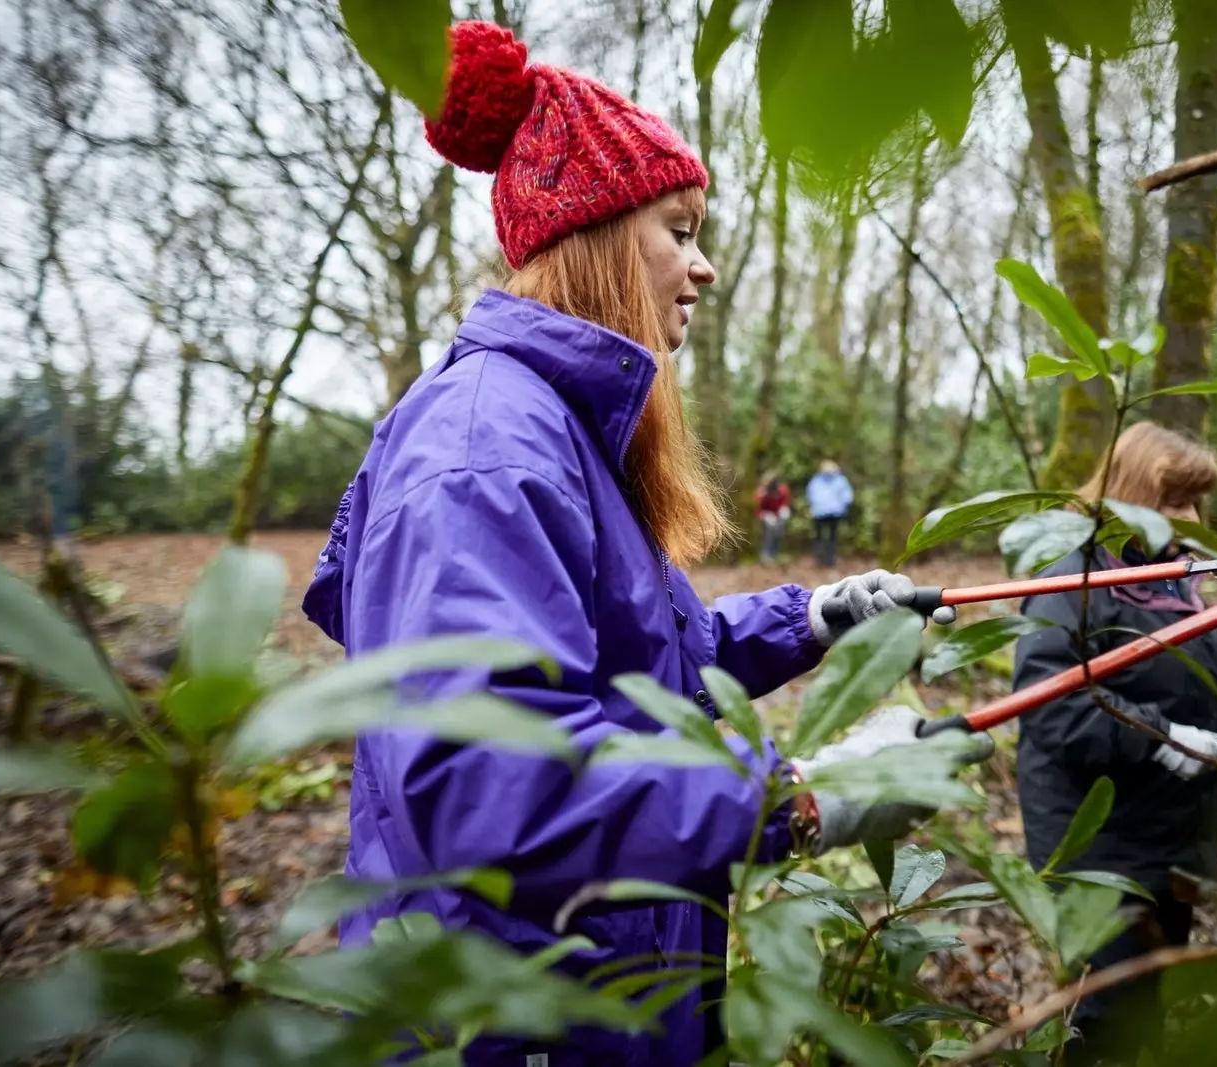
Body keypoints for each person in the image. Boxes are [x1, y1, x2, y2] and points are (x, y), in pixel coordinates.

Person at [300, 23, 985, 1067]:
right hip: (510, 1020)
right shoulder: (487, 445)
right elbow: (490, 785)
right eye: (680, 227)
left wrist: (806, 618)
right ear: (599, 230)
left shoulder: (559, 427)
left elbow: (632, 668)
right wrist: (800, 799)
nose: (703, 265)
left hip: (590, 991)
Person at [1009, 422, 1217, 1065]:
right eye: (1173, 502)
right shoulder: (1071, 581)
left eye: (1195, 502)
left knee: (1152, 996)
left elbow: (1198, 650)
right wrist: (1161, 739)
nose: (1190, 518)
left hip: (1173, 837)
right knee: (1106, 1014)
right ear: (1129, 495)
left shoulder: (1168, 574)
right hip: (1098, 846)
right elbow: (1052, 709)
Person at [806, 459, 854, 568]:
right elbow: (848, 497)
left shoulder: (818, 480)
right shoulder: (839, 479)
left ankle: (825, 559)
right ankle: (825, 559)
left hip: (822, 512)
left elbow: (810, 494)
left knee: (824, 536)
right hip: (831, 512)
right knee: (830, 536)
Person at [754, 470, 791, 563]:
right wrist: (766, 516)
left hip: (778, 515)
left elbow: (785, 503)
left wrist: (783, 511)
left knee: (778, 533)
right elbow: (758, 508)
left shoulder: (783, 490)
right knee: (768, 534)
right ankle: (765, 555)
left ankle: (774, 555)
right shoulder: (762, 493)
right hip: (766, 515)